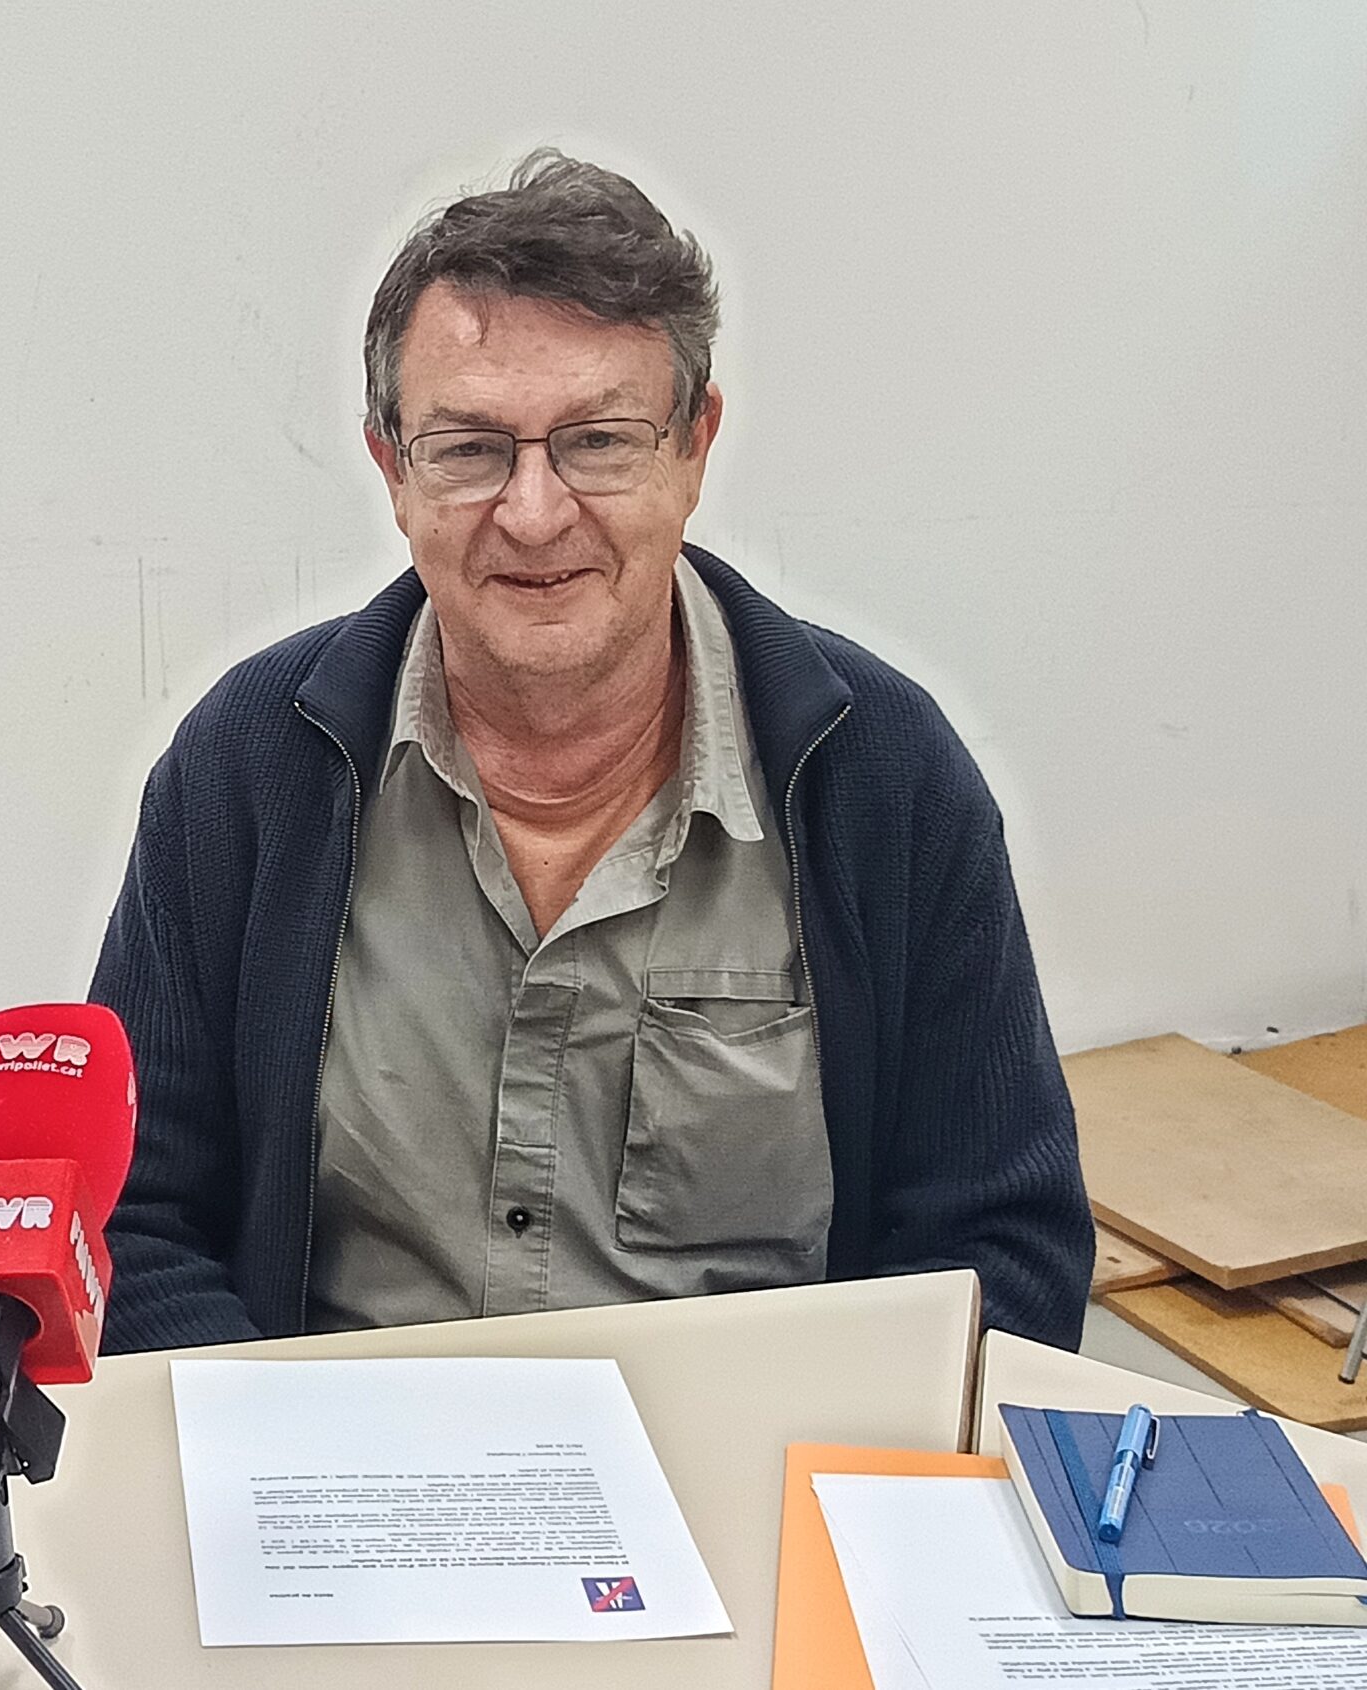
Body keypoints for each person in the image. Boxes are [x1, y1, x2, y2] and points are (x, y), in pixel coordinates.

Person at [89, 151, 1092, 1354]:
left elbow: (1003, 1254)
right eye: (468, 449)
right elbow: (127, 1218)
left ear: (693, 447)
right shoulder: (247, 769)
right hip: (334, 1457)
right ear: (392, 471)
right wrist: (285, 1445)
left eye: (598, 442)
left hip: (755, 1465)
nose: (532, 512)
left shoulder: (881, 777)